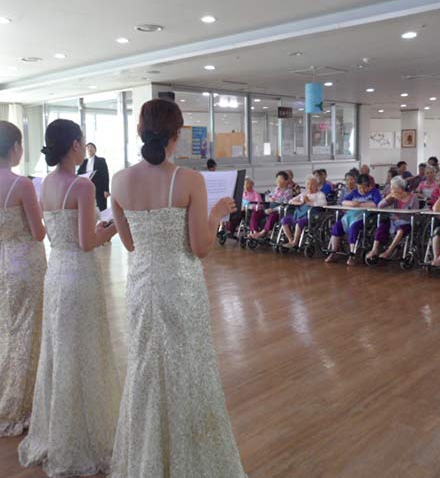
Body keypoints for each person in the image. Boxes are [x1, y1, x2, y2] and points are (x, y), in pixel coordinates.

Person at [109, 99, 245, 477]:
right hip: (181, 286)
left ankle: (149, 460)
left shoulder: (119, 180)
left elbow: (130, 244)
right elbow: (200, 248)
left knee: (145, 370)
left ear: (141, 132)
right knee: (187, 369)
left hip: (141, 287)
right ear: (177, 135)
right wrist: (216, 215)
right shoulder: (188, 179)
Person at [19, 120, 122, 477]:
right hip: (79, 275)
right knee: (84, 349)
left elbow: (59, 234)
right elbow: (87, 242)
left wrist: (98, 229)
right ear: (76, 145)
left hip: (56, 273)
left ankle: (59, 428)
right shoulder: (81, 185)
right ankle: (82, 434)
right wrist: (115, 226)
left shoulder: (45, 183)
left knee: (61, 350)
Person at [0, 121, 47, 437]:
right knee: (28, 331)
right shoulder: (21, 184)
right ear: (14, 146)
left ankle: (2, 395)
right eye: (21, 145)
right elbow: (38, 232)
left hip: (0, 262)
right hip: (25, 263)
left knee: (5, 329)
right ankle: (22, 403)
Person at [324, 174, 381, 265]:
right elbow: (343, 201)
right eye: (359, 187)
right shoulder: (355, 192)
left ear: (369, 186)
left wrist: (359, 204)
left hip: (365, 216)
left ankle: (352, 254)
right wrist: (352, 204)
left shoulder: (375, 192)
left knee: (354, 229)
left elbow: (376, 204)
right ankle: (333, 252)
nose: (360, 190)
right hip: (350, 214)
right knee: (337, 226)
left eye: (363, 188)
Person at [367, 176, 417, 259]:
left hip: (407, 222)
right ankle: (374, 249)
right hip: (393, 221)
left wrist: (399, 215)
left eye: (392, 187)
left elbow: (414, 212)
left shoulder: (413, 197)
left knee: (400, 230)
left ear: (399, 188)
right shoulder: (393, 197)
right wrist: (388, 197)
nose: (391, 189)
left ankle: (389, 251)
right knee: (382, 225)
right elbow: (380, 206)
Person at [281, 174, 327, 247]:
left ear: (316, 185)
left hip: (311, 216)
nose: (309, 186)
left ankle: (295, 242)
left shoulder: (320, 194)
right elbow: (290, 201)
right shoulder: (304, 193)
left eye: (312, 184)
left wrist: (309, 202)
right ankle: (290, 240)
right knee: (284, 220)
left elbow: (323, 204)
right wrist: (300, 202)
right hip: (299, 214)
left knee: (299, 223)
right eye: (308, 184)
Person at [249, 171, 292, 239]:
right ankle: (254, 232)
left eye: (280, 180)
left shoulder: (288, 192)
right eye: (277, 180)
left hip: (278, 212)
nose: (278, 181)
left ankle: (262, 233)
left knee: (272, 216)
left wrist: (273, 209)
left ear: (286, 181)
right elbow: (268, 196)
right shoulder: (276, 189)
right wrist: (269, 199)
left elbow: (285, 205)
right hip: (269, 208)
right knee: (255, 213)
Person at [77, 142, 110, 211]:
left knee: (101, 208)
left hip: (99, 188)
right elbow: (78, 174)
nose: (89, 149)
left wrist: (106, 190)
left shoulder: (101, 160)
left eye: (91, 147)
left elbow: (105, 175)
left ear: (95, 150)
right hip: (86, 188)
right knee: (88, 208)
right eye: (88, 147)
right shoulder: (83, 162)